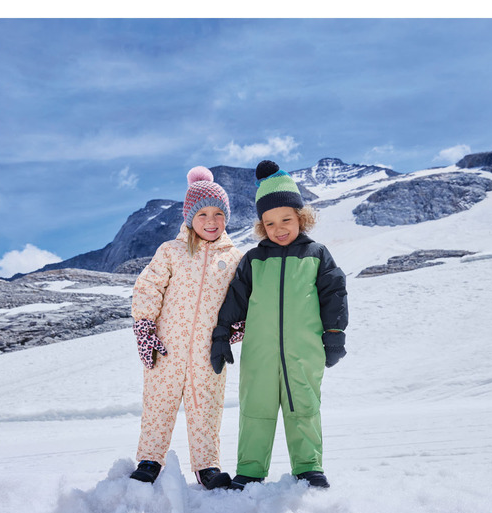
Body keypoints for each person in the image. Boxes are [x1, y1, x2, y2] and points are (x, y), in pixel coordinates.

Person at [211, 160, 348, 490]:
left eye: (286, 219)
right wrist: (220, 335)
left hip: (305, 349)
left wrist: (334, 335)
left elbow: (334, 293)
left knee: (304, 407)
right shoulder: (255, 260)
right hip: (259, 352)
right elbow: (235, 299)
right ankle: (250, 470)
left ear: (301, 218)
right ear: (261, 226)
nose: (279, 227)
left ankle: (309, 467)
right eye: (269, 222)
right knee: (255, 409)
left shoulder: (317, 254)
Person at [129, 166, 243, 489]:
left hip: (209, 352)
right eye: (203, 213)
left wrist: (237, 327)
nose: (211, 221)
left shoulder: (234, 258)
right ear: (189, 215)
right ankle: (150, 459)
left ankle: (207, 466)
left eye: (219, 213)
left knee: (207, 407)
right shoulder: (172, 252)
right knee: (158, 403)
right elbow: (148, 287)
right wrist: (145, 327)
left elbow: (243, 299)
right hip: (166, 347)